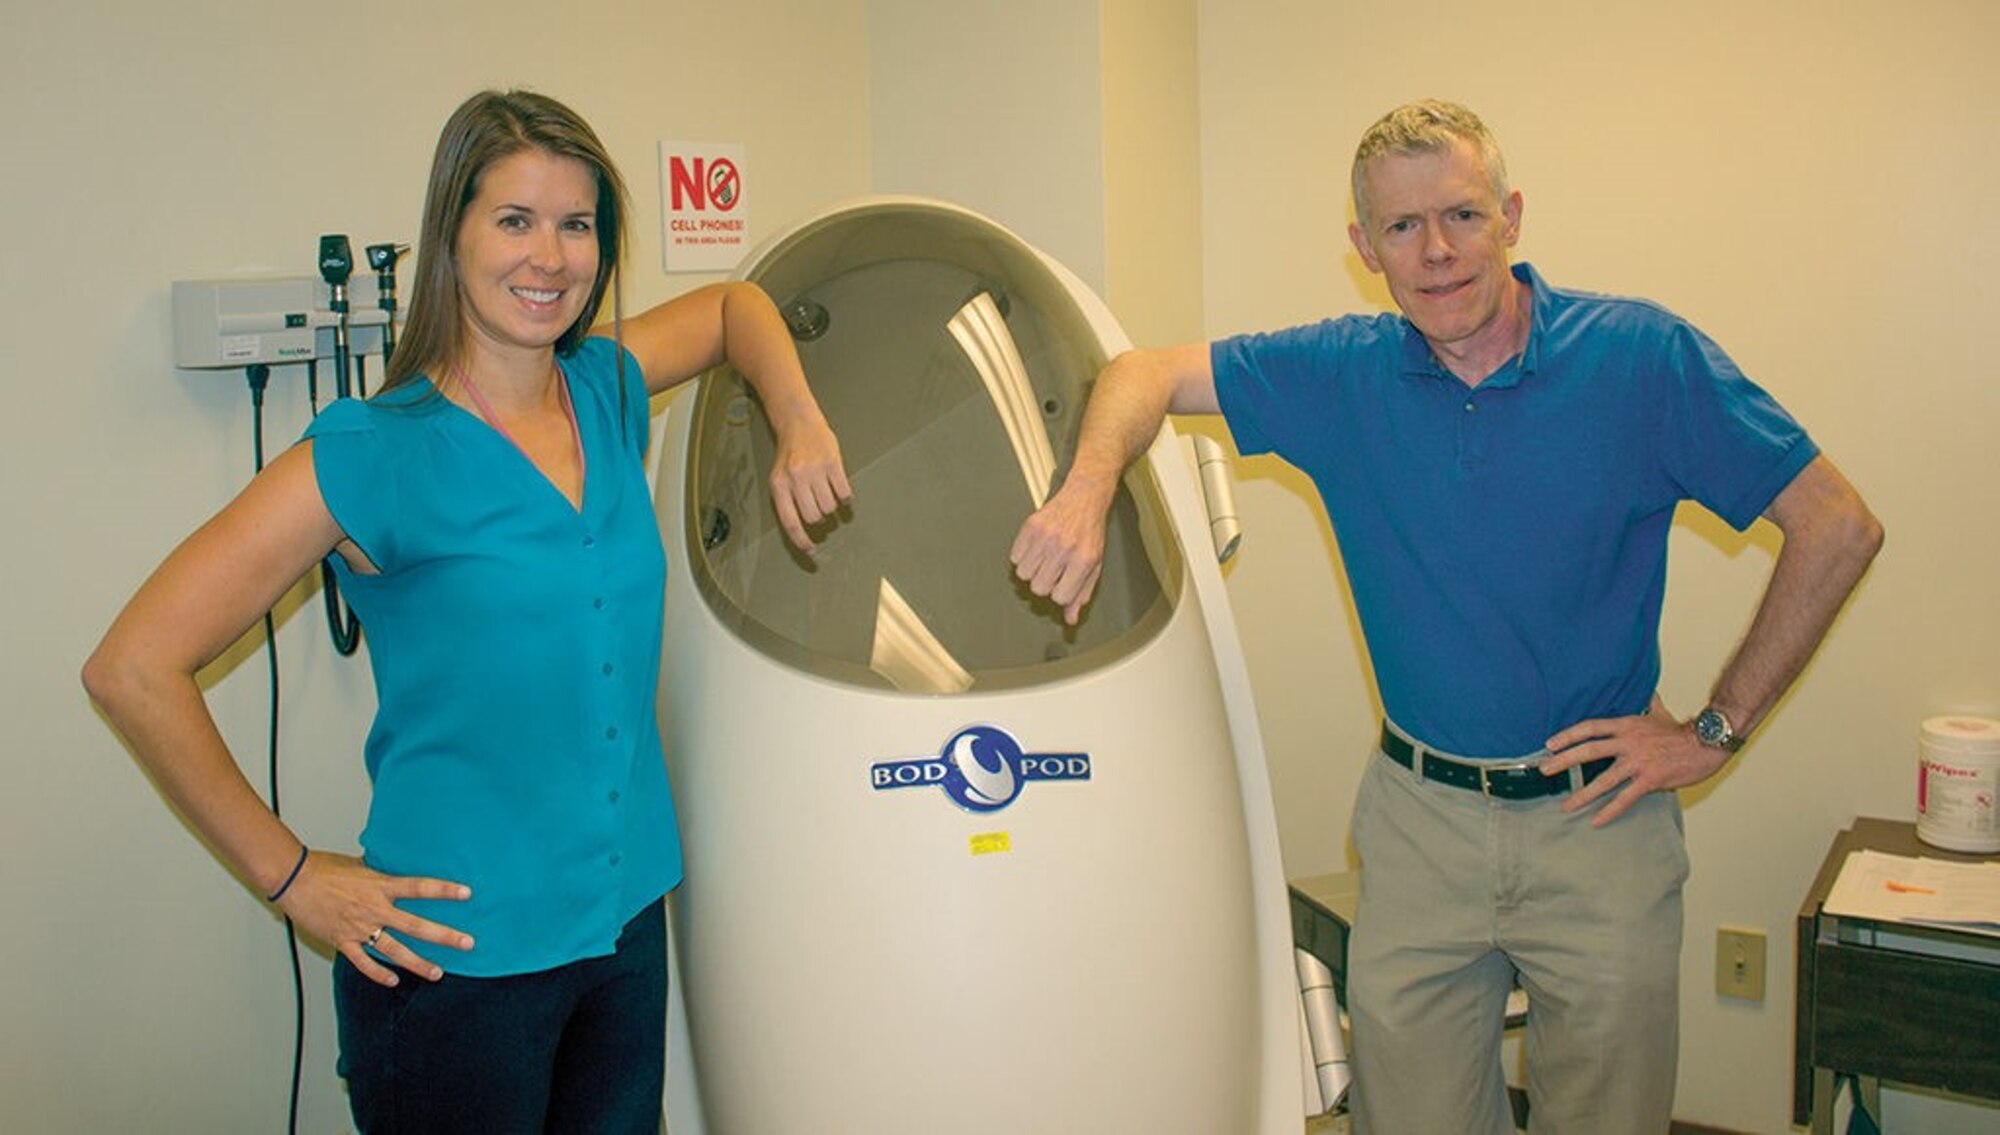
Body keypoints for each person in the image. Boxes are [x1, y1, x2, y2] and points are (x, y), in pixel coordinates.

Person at [1009, 99, 1881, 1134]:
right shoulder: (1341, 372)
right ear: (1363, 247)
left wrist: (1712, 730)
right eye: (1402, 226)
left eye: (1462, 215)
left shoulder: (1639, 358)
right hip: (1419, 821)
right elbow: (1140, 372)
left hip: (1597, 822)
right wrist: (1087, 487)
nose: (1436, 251)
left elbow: (1837, 524)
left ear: (1510, 215)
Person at [83, 89, 851, 1133]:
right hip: (455, 966)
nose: (551, 257)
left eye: (576, 224)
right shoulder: (375, 449)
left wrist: (798, 419)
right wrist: (294, 877)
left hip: (622, 931)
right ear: (452, 234)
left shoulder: (605, 388)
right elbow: (132, 667)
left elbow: (733, 308)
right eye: (515, 219)